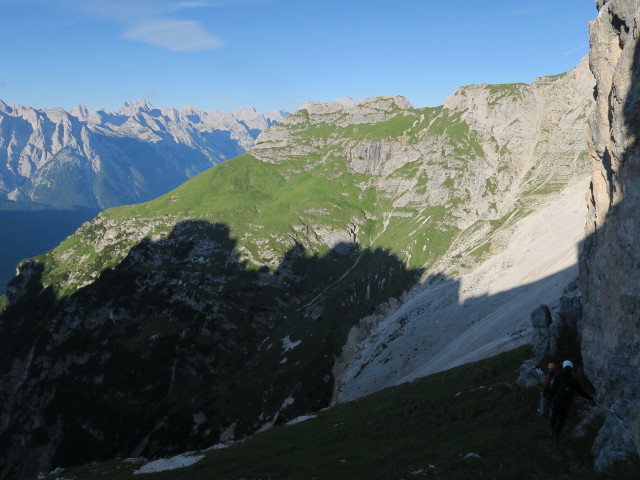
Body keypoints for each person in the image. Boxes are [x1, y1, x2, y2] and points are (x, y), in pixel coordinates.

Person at [548, 360, 594, 441]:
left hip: (558, 401)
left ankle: (551, 430)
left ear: (564, 367)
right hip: (567, 403)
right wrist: (590, 398)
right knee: (562, 418)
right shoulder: (573, 380)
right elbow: (581, 391)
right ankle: (557, 435)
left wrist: (550, 400)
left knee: (555, 416)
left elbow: (553, 389)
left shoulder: (558, 377)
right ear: (571, 368)